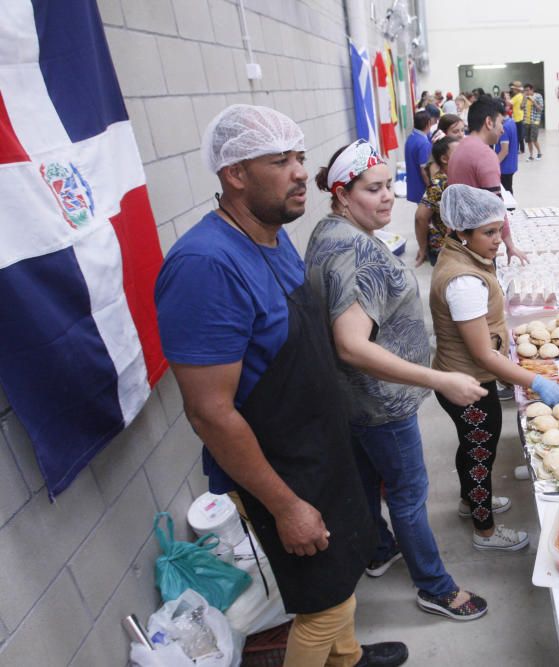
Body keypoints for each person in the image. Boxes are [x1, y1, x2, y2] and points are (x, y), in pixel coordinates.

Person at [155, 105, 407, 667]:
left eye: (299, 157)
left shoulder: (272, 235)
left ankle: (348, 659)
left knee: (339, 585)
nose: (300, 172)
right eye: (281, 161)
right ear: (234, 174)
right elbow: (210, 413)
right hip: (282, 472)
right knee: (322, 608)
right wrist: (287, 506)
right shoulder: (205, 266)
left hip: (320, 451)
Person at [305, 139, 489, 622]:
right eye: (373, 188)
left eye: (389, 185)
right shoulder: (352, 251)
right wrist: (441, 378)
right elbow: (352, 344)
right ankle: (434, 586)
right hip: (381, 403)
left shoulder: (328, 232)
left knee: (367, 479)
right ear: (342, 193)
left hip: (351, 401)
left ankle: (377, 547)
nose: (387, 196)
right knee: (408, 494)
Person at [430, 185, 559, 551]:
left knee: (472, 446)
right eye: (489, 233)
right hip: (467, 384)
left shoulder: (461, 255)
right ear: (463, 232)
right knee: (480, 452)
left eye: (500, 229)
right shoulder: (463, 281)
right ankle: (485, 531)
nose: (498, 240)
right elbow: (483, 356)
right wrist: (535, 380)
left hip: (461, 374)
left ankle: (471, 502)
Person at [448, 95, 527, 264]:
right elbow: (496, 207)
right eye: (500, 123)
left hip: (459, 237)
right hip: (477, 244)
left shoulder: (460, 147)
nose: (502, 130)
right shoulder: (485, 154)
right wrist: (510, 245)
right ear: (489, 122)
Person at [416, 136, 461, 267]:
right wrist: (422, 249)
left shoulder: (454, 177)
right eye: (458, 153)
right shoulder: (439, 183)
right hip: (445, 251)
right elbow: (420, 217)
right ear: (444, 159)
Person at [404, 111, 433, 205]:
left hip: (414, 184)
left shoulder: (411, 137)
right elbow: (424, 170)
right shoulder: (423, 144)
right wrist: (431, 188)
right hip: (422, 187)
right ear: (428, 123)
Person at [495, 113, 518, 194]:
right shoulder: (511, 121)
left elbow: (504, 151)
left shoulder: (503, 127)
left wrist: (493, 164)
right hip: (511, 164)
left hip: (504, 167)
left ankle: (510, 207)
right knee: (509, 189)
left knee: (506, 192)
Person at [521, 83, 544, 160]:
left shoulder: (538, 96)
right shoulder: (525, 97)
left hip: (535, 121)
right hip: (526, 121)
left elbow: (540, 109)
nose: (527, 92)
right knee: (528, 140)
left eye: (528, 90)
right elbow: (521, 107)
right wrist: (524, 99)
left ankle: (539, 153)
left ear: (532, 89)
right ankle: (531, 156)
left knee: (534, 139)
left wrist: (534, 102)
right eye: (525, 90)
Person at [509, 81, 525, 154]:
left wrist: (505, 98)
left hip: (517, 118)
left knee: (517, 135)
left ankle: (518, 149)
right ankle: (522, 149)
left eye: (513, 89)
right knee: (520, 134)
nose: (512, 90)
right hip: (520, 117)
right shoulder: (521, 95)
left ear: (516, 90)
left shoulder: (517, 96)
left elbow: (509, 103)